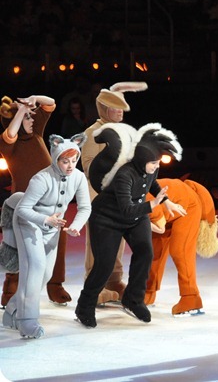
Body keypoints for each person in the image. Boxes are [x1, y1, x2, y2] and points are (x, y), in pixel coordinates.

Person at [75, 123, 186, 328]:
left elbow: (152, 183)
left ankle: (133, 300)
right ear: (142, 160)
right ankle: (84, 306)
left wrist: (166, 201)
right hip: (107, 219)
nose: (156, 166)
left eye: (158, 163)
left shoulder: (150, 169)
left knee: (145, 252)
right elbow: (126, 209)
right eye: (153, 163)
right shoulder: (124, 175)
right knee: (104, 265)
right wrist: (152, 204)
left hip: (136, 216)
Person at [2, 133, 91, 338]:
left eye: (74, 160)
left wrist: (76, 225)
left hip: (52, 228)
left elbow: (85, 207)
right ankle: (27, 321)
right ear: (56, 159)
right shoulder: (42, 178)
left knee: (45, 274)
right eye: (65, 161)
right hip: (28, 223)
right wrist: (45, 219)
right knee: (35, 268)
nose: (70, 165)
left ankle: (12, 311)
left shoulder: (78, 177)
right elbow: (23, 209)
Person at [0, 94, 74, 307]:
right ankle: (11, 288)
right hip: (24, 203)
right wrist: (21, 111)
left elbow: (50, 103)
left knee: (56, 242)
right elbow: (10, 133)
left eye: (31, 116)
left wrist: (33, 98)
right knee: (18, 244)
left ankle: (55, 285)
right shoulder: (8, 144)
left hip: (51, 200)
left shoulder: (37, 132)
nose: (32, 120)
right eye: (27, 118)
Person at [81, 82, 148, 304]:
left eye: (122, 107)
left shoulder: (122, 131)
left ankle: (113, 280)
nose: (121, 111)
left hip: (121, 194)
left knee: (118, 238)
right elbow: (88, 165)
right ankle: (94, 285)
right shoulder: (94, 132)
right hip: (99, 194)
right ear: (103, 109)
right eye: (115, 107)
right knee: (98, 241)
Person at [145, 177, 218, 316]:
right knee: (154, 251)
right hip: (164, 209)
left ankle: (191, 298)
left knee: (180, 251)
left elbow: (159, 226)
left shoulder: (140, 199)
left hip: (187, 206)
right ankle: (147, 292)